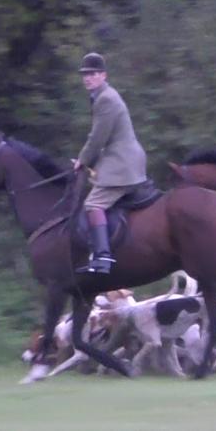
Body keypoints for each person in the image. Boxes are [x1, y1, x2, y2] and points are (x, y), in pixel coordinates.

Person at [73, 52, 147, 274]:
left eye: (93, 74)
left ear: (103, 75)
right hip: (121, 158)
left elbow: (97, 138)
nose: (88, 78)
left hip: (122, 163)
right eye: (85, 74)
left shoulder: (106, 99)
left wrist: (82, 161)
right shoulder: (103, 95)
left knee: (93, 205)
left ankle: (103, 257)